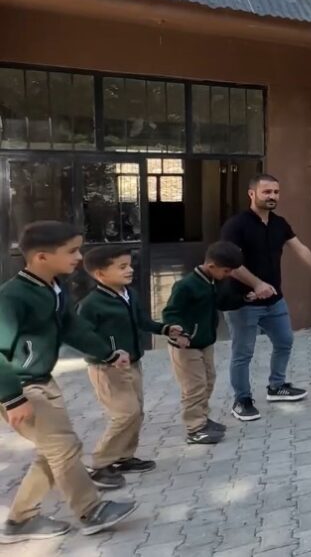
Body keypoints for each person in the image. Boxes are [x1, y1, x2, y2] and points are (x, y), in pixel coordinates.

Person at [0, 222, 136, 543]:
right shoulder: (12, 296)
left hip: (42, 381)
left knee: (54, 451)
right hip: (21, 386)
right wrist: (12, 398)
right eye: (72, 251)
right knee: (63, 448)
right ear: (41, 257)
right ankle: (91, 511)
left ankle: (20, 520)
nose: (79, 257)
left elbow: (73, 329)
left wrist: (108, 353)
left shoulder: (54, 287)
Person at [220, 174, 311, 422]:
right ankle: (242, 400)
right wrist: (257, 283)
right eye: (267, 192)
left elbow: (301, 249)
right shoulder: (236, 225)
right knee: (243, 353)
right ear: (252, 194)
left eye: (276, 192)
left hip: (274, 300)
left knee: (284, 341)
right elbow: (229, 263)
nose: (272, 196)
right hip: (243, 302)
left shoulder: (279, 223)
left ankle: (276, 386)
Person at [77, 246, 186, 485]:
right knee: (124, 414)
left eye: (129, 265)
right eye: (122, 267)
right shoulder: (91, 304)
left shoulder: (130, 294)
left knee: (136, 412)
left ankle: (124, 457)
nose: (130, 270)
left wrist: (165, 329)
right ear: (100, 274)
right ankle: (99, 464)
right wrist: (108, 355)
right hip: (106, 369)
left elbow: (142, 321)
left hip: (133, 364)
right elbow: (81, 337)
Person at [162, 241, 243, 445]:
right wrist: (179, 333)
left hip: (205, 342)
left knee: (208, 380)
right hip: (185, 345)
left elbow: (222, 303)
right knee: (194, 386)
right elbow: (171, 313)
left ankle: (202, 418)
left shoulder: (213, 281)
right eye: (226, 271)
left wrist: (245, 298)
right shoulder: (186, 286)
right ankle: (194, 428)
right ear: (211, 266)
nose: (229, 275)